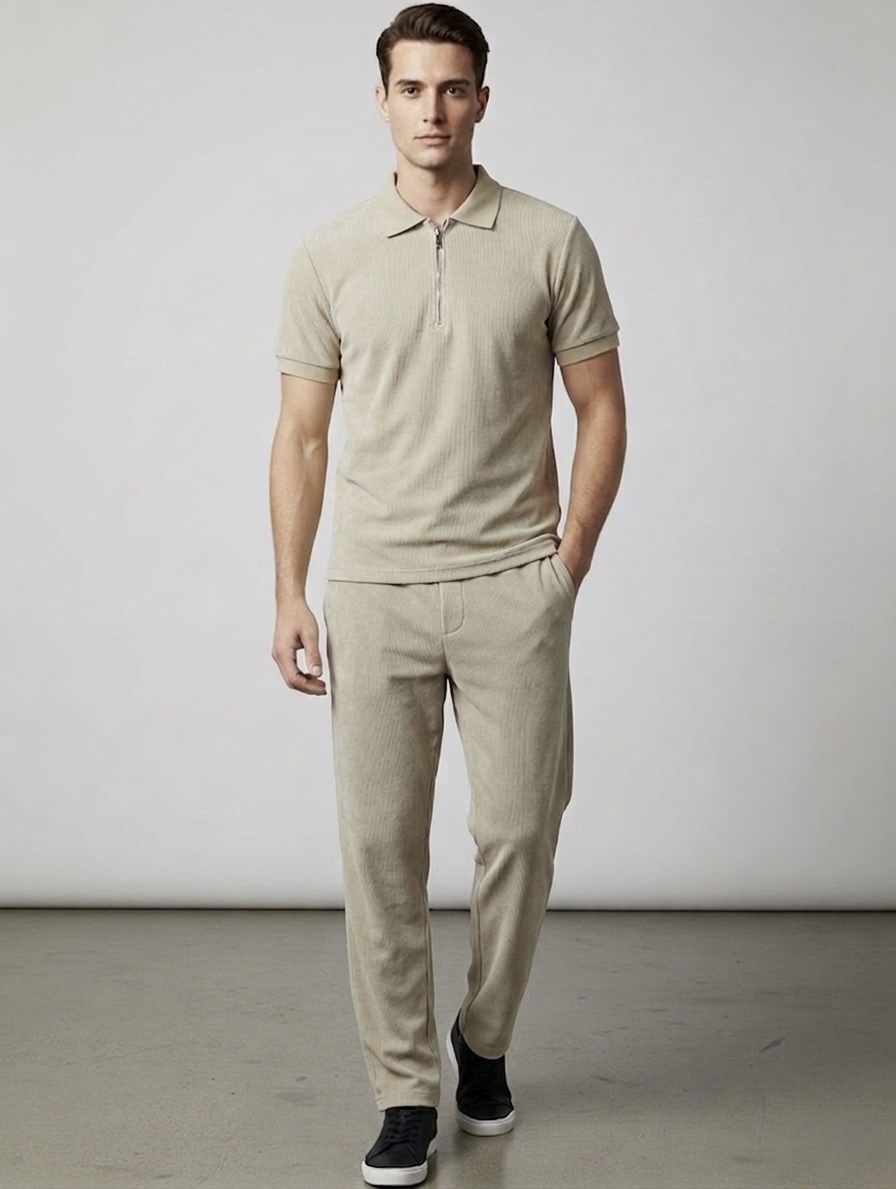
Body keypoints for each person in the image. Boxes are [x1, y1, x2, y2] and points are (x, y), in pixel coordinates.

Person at [270, 4, 626, 1184]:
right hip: (374, 586)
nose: (432, 109)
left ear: (482, 99)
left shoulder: (550, 238)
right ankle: (402, 1091)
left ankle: (482, 1038)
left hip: (510, 582)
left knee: (520, 830)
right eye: (412, 87)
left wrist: (563, 564)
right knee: (379, 846)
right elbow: (301, 436)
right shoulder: (328, 252)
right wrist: (289, 590)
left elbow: (600, 408)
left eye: (453, 87)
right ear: (380, 99)